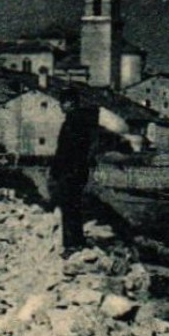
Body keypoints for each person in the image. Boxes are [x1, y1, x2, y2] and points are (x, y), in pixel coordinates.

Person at [50, 100, 100, 254]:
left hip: (69, 170)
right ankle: (78, 241)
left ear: (70, 103)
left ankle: (71, 245)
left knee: (68, 207)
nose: (61, 106)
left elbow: (64, 149)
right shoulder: (85, 122)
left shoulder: (71, 122)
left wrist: (55, 170)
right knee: (75, 206)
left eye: (63, 103)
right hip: (80, 170)